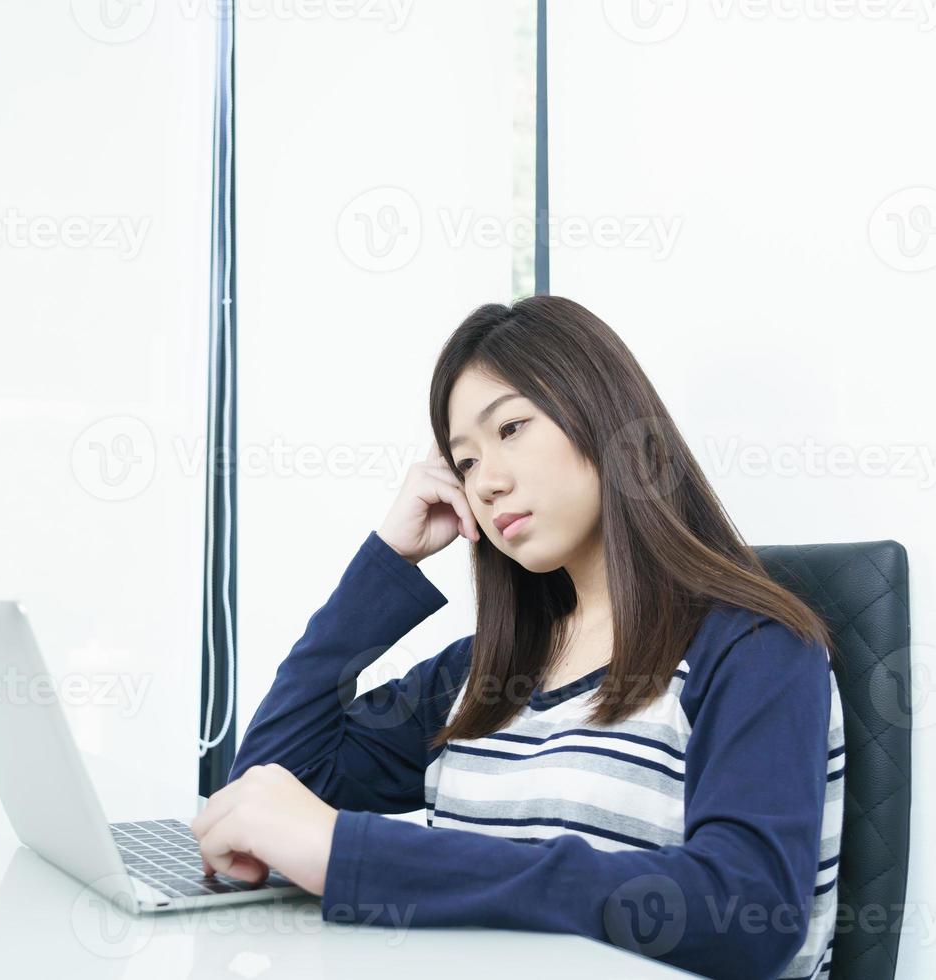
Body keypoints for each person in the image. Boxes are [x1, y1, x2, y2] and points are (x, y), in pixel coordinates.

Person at [190, 295, 844, 980]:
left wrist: (359, 854)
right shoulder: (488, 671)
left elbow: (744, 915)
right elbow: (268, 787)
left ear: (604, 417)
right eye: (464, 463)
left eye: (509, 429)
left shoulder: (757, 648)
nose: (488, 483)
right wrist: (387, 559)